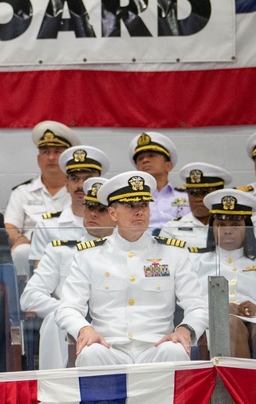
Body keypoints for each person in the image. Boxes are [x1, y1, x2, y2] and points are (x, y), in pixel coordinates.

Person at [55, 170, 208, 367]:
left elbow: (197, 305)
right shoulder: (89, 256)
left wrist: (186, 329)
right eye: (130, 206)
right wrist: (83, 328)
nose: (139, 211)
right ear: (112, 213)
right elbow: (67, 307)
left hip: (157, 345)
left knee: (175, 350)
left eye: (144, 205)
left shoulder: (173, 253)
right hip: (108, 346)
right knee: (89, 354)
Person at [21, 177, 116, 369]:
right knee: (56, 319)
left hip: (114, 325)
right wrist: (67, 311)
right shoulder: (60, 251)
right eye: (89, 207)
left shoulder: (128, 255)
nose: (93, 214)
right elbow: (29, 297)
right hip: (68, 330)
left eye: (101, 209)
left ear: (115, 214)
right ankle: (54, 389)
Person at [4, 122, 80, 277]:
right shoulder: (22, 192)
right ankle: (22, 296)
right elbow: (9, 226)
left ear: (68, 160)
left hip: (70, 245)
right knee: (20, 252)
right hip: (30, 247)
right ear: (39, 159)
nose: (51, 157)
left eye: (57, 151)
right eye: (46, 152)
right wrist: (20, 239)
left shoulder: (79, 191)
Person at [193, 189, 256, 358]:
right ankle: (239, 385)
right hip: (212, 324)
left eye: (235, 225)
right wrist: (218, 309)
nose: (228, 231)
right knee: (230, 324)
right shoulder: (195, 261)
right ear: (211, 228)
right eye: (221, 225)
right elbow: (186, 300)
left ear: (247, 228)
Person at [28, 145, 110, 266]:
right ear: (66, 184)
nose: (80, 186)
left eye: (88, 179)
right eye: (75, 179)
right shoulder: (47, 225)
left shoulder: (114, 224)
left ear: (99, 184)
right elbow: (40, 272)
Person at [159, 162, 232, 249]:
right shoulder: (171, 227)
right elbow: (164, 259)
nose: (198, 199)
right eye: (193, 193)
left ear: (218, 195)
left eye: (204, 193)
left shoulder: (233, 227)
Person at [127, 132, 188, 230]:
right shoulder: (129, 201)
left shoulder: (187, 197)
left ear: (168, 165)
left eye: (151, 155)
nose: (145, 160)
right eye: (140, 158)